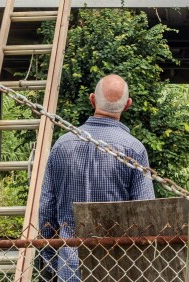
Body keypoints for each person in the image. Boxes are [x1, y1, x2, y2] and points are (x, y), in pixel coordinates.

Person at [36, 74, 155, 281]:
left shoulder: (62, 146)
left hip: (70, 264)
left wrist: (51, 261)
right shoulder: (134, 150)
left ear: (92, 99)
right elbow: (145, 214)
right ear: (127, 105)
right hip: (119, 265)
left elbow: (47, 208)